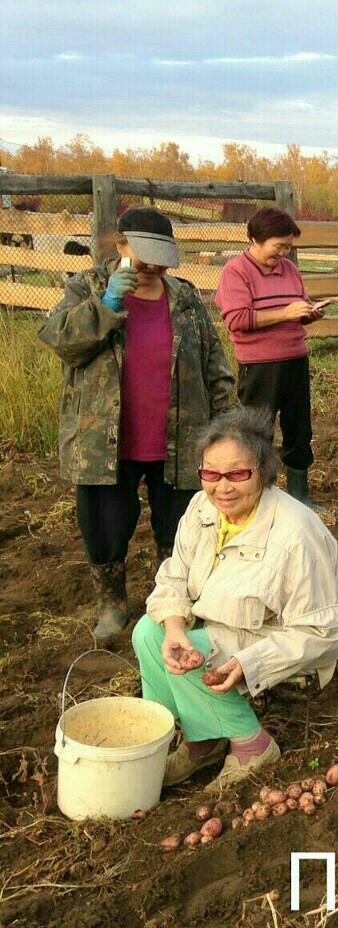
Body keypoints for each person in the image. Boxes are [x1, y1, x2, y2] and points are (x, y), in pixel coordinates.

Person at [39, 206, 235, 641]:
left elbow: (214, 366)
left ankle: (173, 606)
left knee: (180, 527)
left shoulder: (184, 298)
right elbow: (61, 342)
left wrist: (226, 430)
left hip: (180, 439)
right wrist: (105, 306)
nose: (151, 266)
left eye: (159, 257)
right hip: (104, 440)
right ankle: (112, 606)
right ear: (120, 244)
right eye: (141, 254)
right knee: (105, 526)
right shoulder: (85, 286)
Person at [132, 407, 338, 787]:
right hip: (217, 630)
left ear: (262, 471)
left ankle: (253, 746)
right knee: (150, 633)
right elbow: (174, 576)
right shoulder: (202, 509)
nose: (223, 487)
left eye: (238, 474)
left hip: (271, 643)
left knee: (194, 654)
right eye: (211, 474)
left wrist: (251, 662)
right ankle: (205, 741)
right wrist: (175, 627)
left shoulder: (296, 533)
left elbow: (321, 633)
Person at [214, 207, 325, 506]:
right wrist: (285, 313)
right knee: (258, 430)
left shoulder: (289, 270)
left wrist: (308, 314)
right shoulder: (236, 271)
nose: (284, 253)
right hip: (260, 364)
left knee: (299, 428)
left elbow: (297, 308)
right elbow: (237, 318)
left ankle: (300, 497)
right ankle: (260, 495)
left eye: (288, 247)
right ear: (255, 239)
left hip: (295, 359)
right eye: (279, 246)